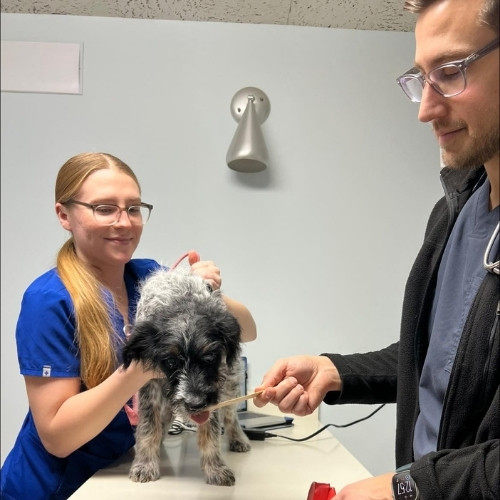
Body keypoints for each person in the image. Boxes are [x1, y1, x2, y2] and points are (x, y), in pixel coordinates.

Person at [255, 0, 499, 499]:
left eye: (450, 72)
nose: (427, 109)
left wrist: (408, 488)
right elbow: (439, 364)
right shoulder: (456, 212)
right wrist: (338, 371)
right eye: (420, 78)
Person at [0, 152, 257, 499]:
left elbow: (248, 331)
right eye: (104, 208)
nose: (124, 222)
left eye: (133, 208)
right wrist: (139, 370)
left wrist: (206, 293)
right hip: (59, 487)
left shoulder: (147, 277)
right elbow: (57, 438)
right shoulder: (49, 302)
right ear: (64, 215)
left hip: (121, 472)